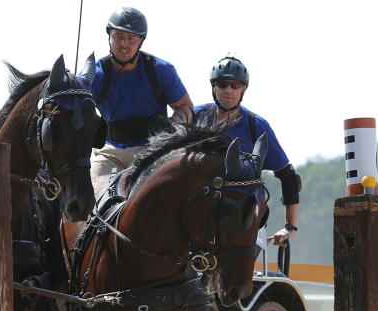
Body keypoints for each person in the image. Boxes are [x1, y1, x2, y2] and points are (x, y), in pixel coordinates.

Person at [194, 56, 301, 246]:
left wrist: (289, 227)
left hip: (243, 214)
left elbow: (288, 176)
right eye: (222, 84)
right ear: (213, 87)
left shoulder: (257, 126)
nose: (228, 90)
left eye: (235, 85)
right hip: (199, 208)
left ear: (244, 89)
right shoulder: (195, 117)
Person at [84, 7, 194, 178]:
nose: (123, 44)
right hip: (108, 151)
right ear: (109, 38)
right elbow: (73, 107)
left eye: (131, 38)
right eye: (118, 36)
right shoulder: (95, 74)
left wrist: (172, 125)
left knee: (144, 193)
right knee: (88, 193)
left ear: (141, 40)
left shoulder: (161, 70)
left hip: (150, 148)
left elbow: (186, 107)